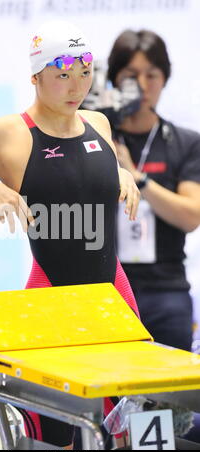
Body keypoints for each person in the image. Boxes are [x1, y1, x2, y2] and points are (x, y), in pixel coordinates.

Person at [0, 21, 140, 449]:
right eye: (63, 75)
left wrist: (121, 172)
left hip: (113, 292)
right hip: (51, 295)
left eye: (85, 73)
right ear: (36, 77)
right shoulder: (7, 134)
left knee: (126, 425)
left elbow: (85, 176)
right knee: (57, 440)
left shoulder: (99, 125)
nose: (77, 86)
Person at [106, 29, 200, 352]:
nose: (143, 86)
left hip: (166, 290)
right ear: (114, 79)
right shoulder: (94, 139)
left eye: (152, 75)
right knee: (108, 400)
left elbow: (191, 215)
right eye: (131, 75)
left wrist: (137, 178)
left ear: (165, 78)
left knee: (175, 401)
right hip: (108, 290)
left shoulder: (185, 142)